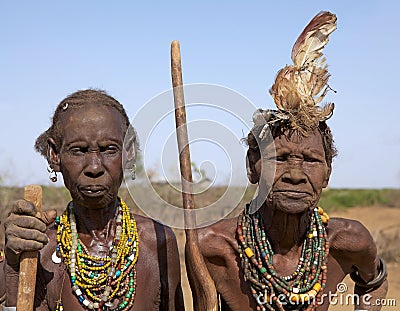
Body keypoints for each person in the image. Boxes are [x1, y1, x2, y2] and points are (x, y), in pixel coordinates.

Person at [196, 11, 388, 310]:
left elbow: (374, 284)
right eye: (281, 158)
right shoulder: (214, 246)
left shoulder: (348, 241)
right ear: (252, 167)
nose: (295, 175)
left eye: (311, 160)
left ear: (328, 173)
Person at [3, 89, 184, 310]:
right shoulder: (40, 248)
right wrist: (13, 268)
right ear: (55, 155)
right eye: (79, 151)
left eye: (109, 149)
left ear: (128, 153)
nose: (95, 167)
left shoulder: (158, 241)